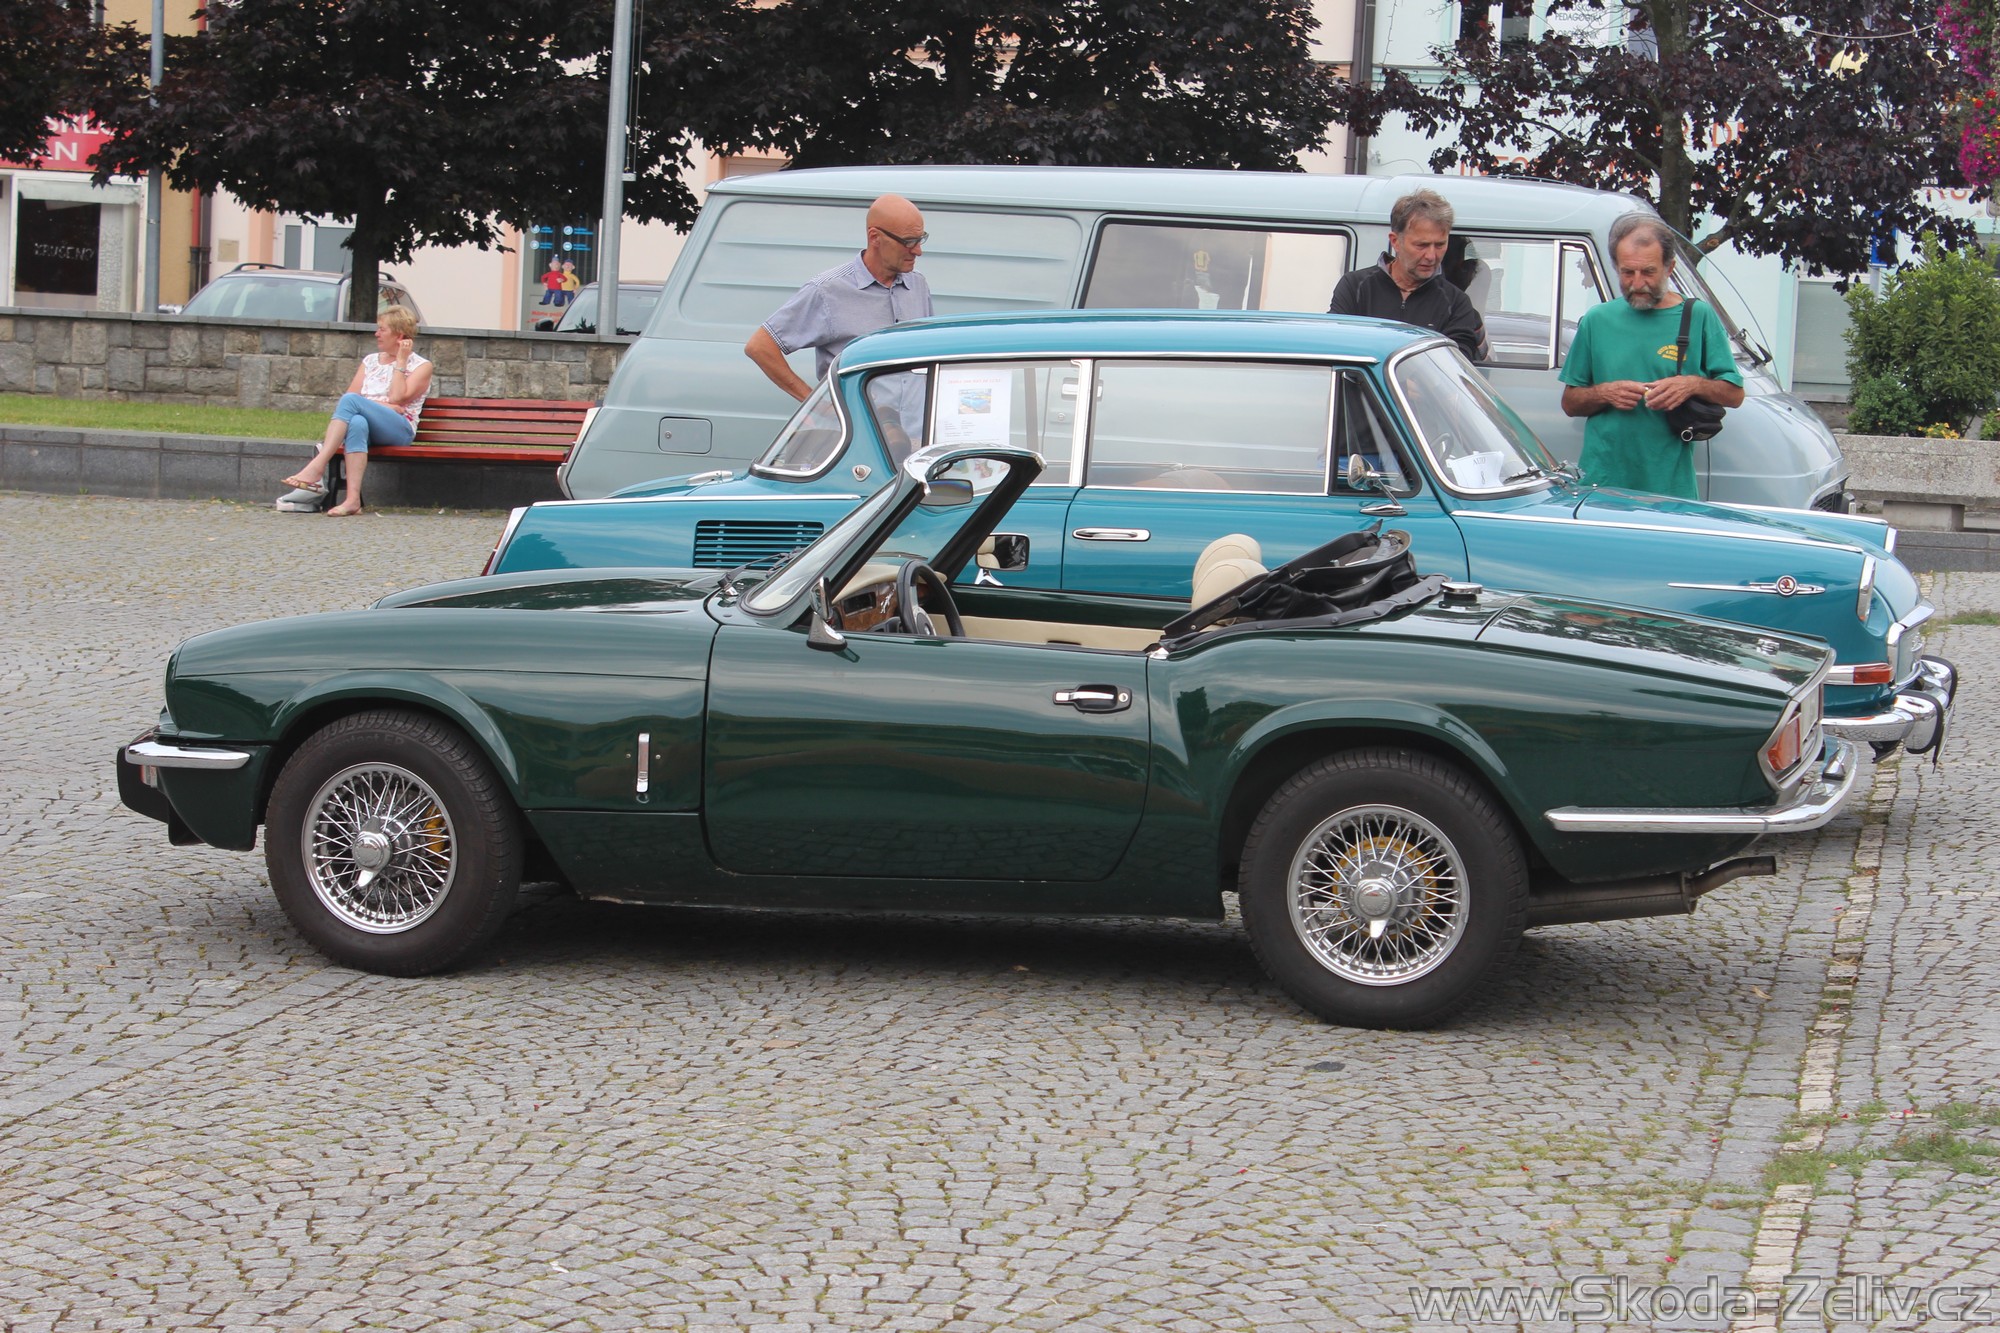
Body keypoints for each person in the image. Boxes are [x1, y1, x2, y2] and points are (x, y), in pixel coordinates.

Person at [1558, 214, 1745, 499]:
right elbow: (1570, 403)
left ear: (1670, 268)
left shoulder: (1697, 316)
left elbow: (1734, 395)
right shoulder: (1597, 320)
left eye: (1648, 272)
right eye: (1627, 273)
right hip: (1602, 485)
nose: (1637, 283)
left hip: (1670, 489)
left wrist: (1691, 385)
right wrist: (1605, 393)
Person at [745, 193, 934, 404]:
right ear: (875, 237)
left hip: (916, 424)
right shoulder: (828, 291)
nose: (918, 251)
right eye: (908, 242)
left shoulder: (917, 284)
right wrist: (816, 406)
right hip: (862, 425)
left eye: (920, 239)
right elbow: (760, 346)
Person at [279, 305, 433, 516]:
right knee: (357, 422)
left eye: (382, 329)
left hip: (399, 430)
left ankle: (317, 466)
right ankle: (352, 501)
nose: (376, 334)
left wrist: (401, 361)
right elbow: (351, 399)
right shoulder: (370, 361)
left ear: (399, 335)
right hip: (370, 425)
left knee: (352, 403)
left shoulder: (421, 366)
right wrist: (383, 405)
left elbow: (397, 397)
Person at [1328, 188, 1489, 363]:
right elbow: (1334, 346)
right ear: (1395, 241)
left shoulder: (1457, 303)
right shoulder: (1355, 287)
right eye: (1422, 245)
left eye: (1440, 245)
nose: (1431, 256)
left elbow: (1457, 366)